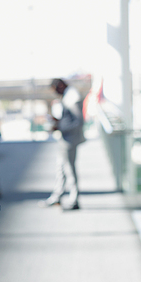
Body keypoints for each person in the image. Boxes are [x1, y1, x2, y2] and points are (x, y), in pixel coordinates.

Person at [43, 78, 85, 210]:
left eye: (55, 90)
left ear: (60, 86)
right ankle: (57, 196)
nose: (55, 93)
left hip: (70, 139)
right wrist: (58, 122)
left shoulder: (72, 96)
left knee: (69, 169)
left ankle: (74, 200)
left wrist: (59, 126)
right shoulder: (68, 95)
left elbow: (78, 121)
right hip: (65, 138)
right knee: (60, 168)